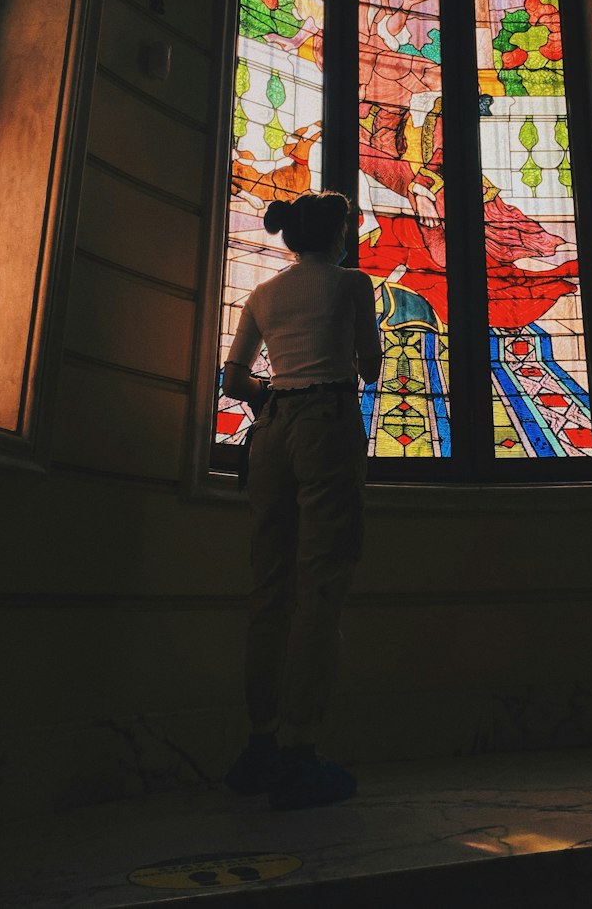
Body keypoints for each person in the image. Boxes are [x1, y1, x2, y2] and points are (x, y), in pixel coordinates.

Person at [222, 190, 382, 809]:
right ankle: (300, 747)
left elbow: (235, 380)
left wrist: (272, 395)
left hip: (269, 433)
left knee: (269, 585)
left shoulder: (262, 295)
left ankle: (260, 741)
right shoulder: (351, 285)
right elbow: (368, 369)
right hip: (326, 423)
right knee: (321, 581)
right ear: (337, 235)